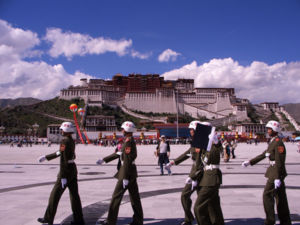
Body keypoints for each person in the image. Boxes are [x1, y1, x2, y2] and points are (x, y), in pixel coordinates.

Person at [242, 120, 291, 225]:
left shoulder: (278, 142)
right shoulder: (273, 141)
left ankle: (270, 221)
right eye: (268, 129)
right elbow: (264, 154)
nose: (268, 131)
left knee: (267, 196)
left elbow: (279, 161)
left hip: (275, 173)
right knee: (281, 198)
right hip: (275, 172)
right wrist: (250, 162)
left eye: (269, 129)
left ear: (275, 130)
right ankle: (285, 221)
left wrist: (277, 177)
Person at [37, 122, 85, 225]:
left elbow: (63, 159)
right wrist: (47, 157)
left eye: (62, 129)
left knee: (54, 195)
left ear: (66, 130)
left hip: (66, 171)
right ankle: (79, 220)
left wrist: (63, 176)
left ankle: (48, 218)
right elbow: (61, 153)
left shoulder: (64, 141)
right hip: (72, 169)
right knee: (74, 196)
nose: (61, 131)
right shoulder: (71, 140)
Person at [96, 121, 143, 225]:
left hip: (126, 172)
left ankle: (110, 221)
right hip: (131, 172)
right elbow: (119, 153)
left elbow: (127, 160)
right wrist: (104, 159)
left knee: (116, 197)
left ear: (127, 130)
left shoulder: (128, 142)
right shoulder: (129, 141)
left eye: (123, 129)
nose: (122, 130)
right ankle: (138, 220)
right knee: (135, 198)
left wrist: (125, 177)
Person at [165, 120, 204, 225]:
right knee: (185, 196)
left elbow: (202, 163)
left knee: (201, 200)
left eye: (192, 129)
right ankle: (189, 218)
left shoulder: (201, 142)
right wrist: (173, 162)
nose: (190, 131)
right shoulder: (195, 142)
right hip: (195, 171)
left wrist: (194, 177)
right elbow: (187, 154)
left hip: (201, 174)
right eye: (190, 129)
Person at [194, 125, 224, 225]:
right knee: (214, 205)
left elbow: (219, 149)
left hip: (211, 178)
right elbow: (198, 161)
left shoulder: (213, 145)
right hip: (206, 178)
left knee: (198, 207)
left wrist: (216, 142)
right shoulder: (204, 148)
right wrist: (193, 178)